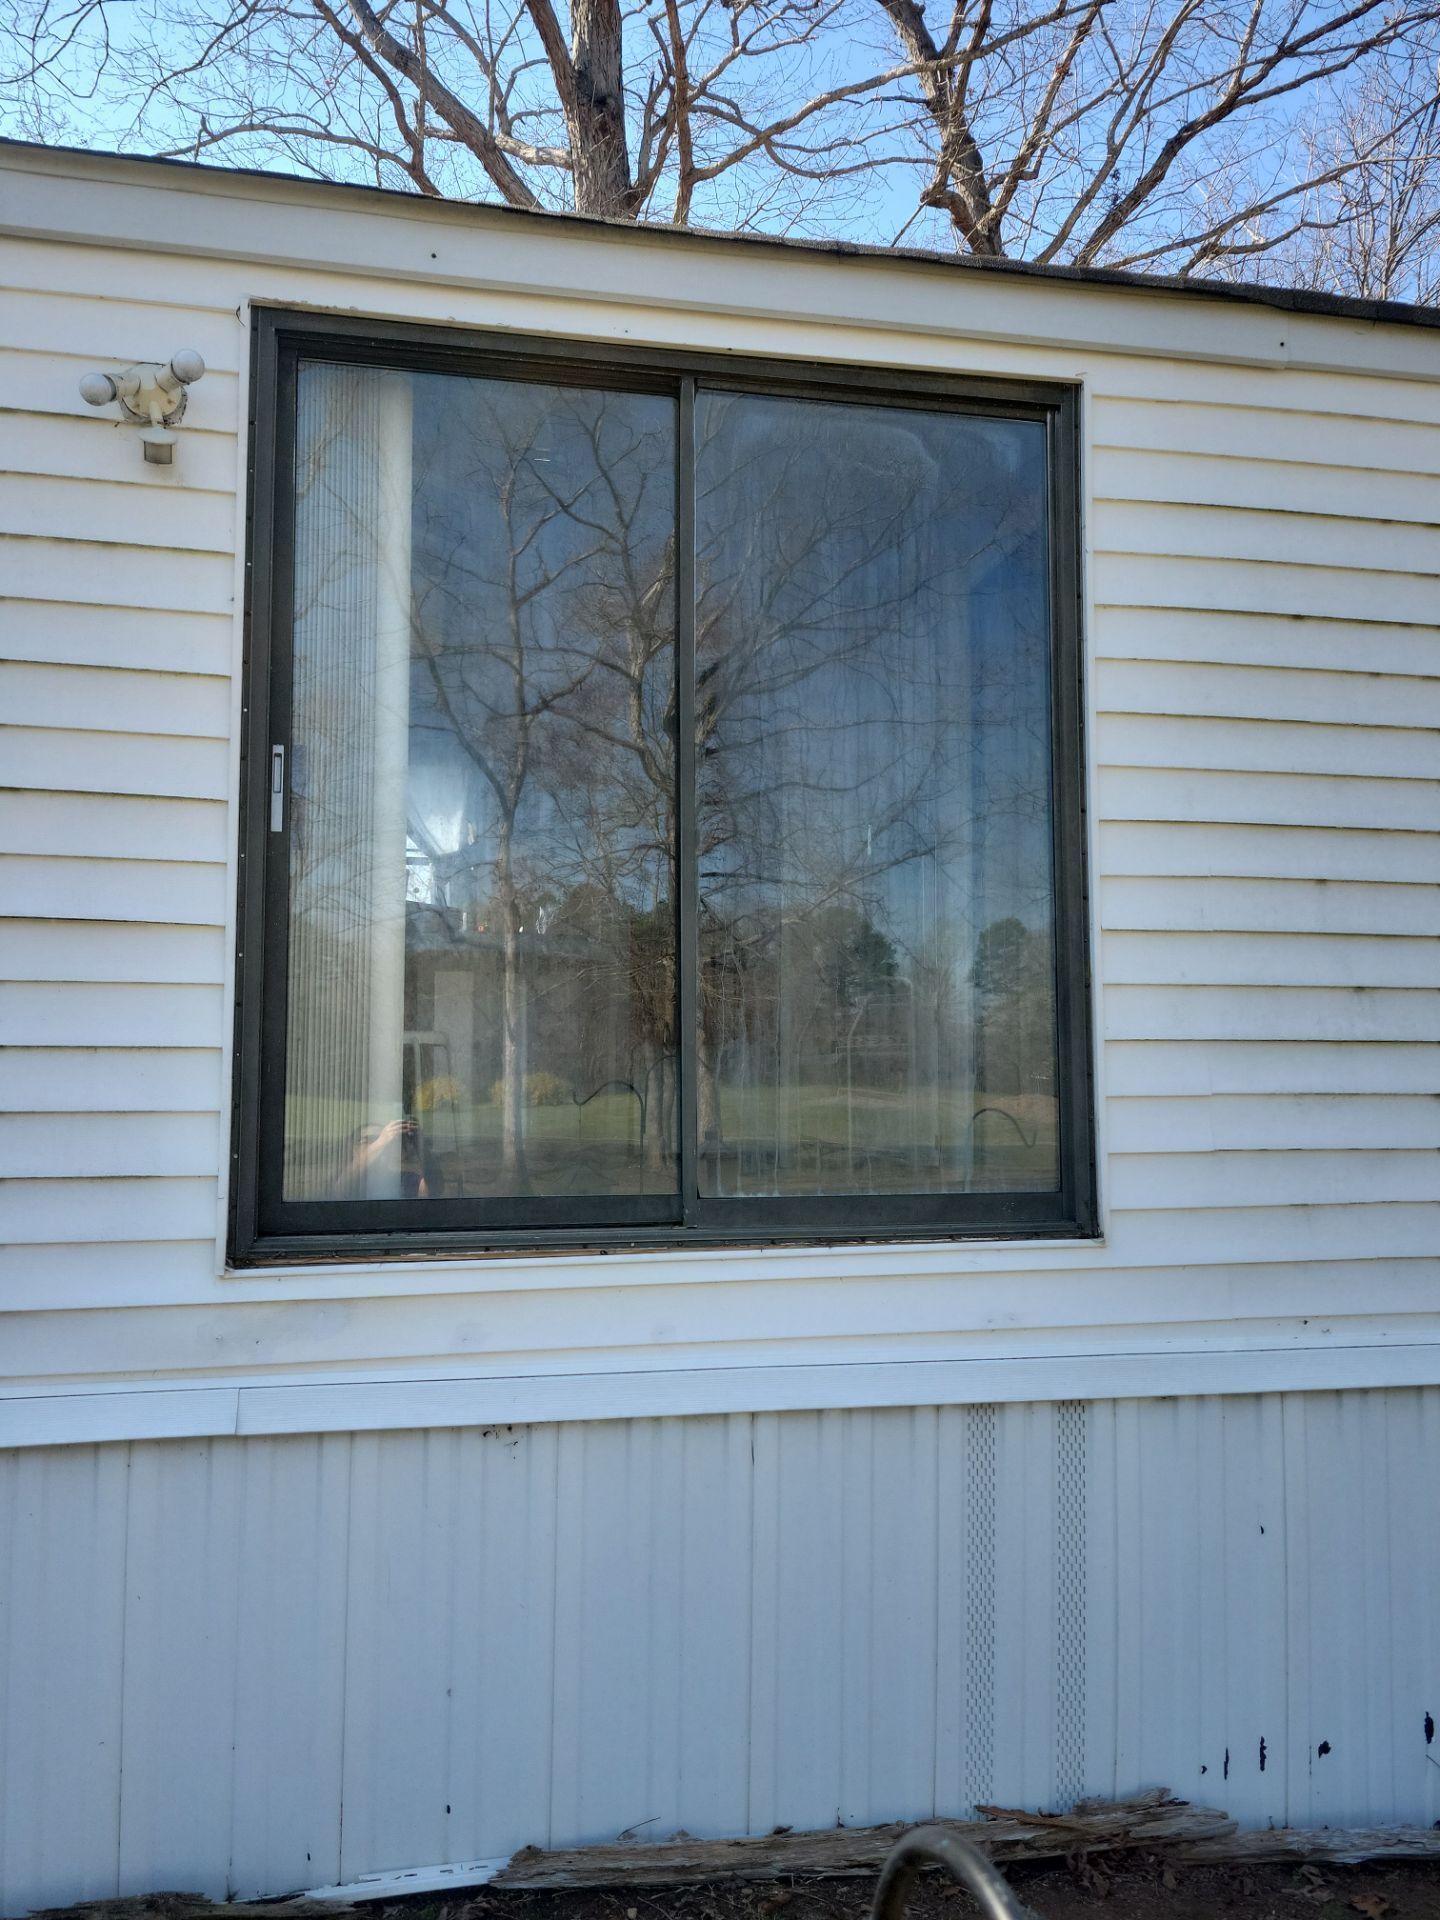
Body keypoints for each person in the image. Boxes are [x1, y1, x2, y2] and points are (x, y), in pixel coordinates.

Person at [337, 1116, 444, 1199]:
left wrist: (419, 1143)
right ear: (353, 1148)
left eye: (386, 1139)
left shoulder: (407, 1180)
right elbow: (337, 1192)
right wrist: (380, 1142)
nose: (381, 1142)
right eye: (369, 1139)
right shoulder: (346, 1176)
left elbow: (436, 1192)